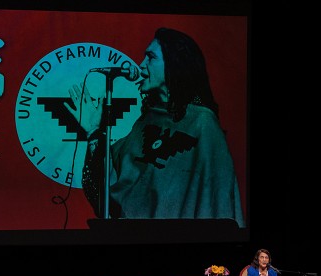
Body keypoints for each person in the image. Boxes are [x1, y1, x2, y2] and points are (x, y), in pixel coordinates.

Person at [65, 27, 245, 225]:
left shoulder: (202, 124)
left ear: (175, 65)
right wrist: (93, 131)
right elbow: (106, 191)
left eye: (150, 57)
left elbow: (216, 200)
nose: (141, 66)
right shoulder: (145, 123)